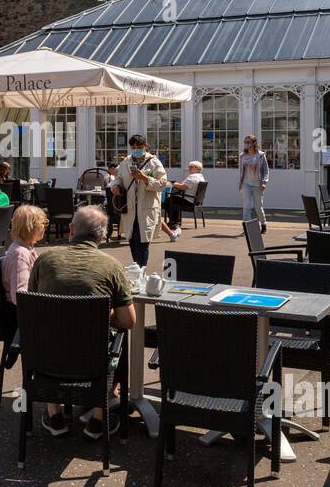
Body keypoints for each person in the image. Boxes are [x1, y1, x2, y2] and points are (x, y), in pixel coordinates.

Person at [27, 206, 136, 439]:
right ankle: (98, 419)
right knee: (118, 341)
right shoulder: (112, 266)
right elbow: (128, 321)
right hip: (91, 359)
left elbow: (33, 304)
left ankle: (54, 413)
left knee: (55, 331)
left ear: (71, 229)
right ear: (102, 235)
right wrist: (102, 316)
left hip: (47, 356)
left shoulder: (45, 260)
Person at [110, 134, 168, 268]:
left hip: (146, 208)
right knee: (131, 240)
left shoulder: (154, 162)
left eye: (139, 146)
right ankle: (136, 269)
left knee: (142, 241)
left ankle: (140, 271)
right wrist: (115, 186)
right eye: (133, 146)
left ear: (145, 146)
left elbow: (163, 184)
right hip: (129, 208)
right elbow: (119, 177)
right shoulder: (126, 161)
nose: (136, 149)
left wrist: (144, 178)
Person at [2, 204, 47, 304]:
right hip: (23, 314)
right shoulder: (20, 255)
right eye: (43, 223)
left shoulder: (27, 248)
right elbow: (19, 297)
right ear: (30, 227)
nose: (44, 227)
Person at [164, 160, 206, 240]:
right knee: (173, 199)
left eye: (191, 167)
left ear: (197, 168)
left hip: (189, 200)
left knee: (168, 200)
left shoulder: (193, 177)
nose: (189, 168)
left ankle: (174, 222)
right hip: (194, 200)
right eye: (189, 167)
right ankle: (175, 221)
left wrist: (173, 183)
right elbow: (185, 186)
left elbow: (183, 187)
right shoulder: (200, 176)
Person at [239, 135, 270, 234]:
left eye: (248, 142)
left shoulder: (260, 155)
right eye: (245, 142)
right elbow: (242, 171)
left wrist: (264, 182)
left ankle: (263, 224)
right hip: (246, 184)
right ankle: (247, 228)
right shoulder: (242, 155)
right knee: (246, 206)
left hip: (258, 184)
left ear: (254, 143)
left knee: (258, 206)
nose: (246, 144)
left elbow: (266, 170)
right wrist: (240, 183)